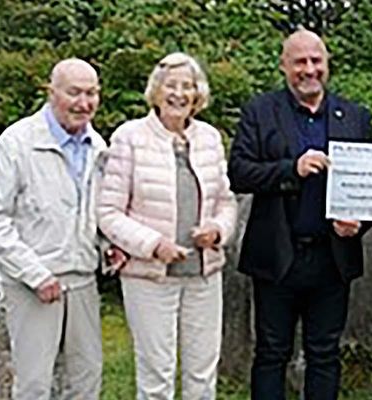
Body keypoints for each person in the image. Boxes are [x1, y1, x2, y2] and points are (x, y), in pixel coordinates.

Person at [228, 29, 372, 400]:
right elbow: (239, 173)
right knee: (271, 353)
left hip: (332, 257)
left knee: (325, 354)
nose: (309, 69)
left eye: (316, 60)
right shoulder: (260, 112)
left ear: (327, 63)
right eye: (299, 62)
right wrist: (291, 169)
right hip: (277, 254)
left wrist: (359, 224)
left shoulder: (355, 116)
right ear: (283, 66)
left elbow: (371, 186)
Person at [97, 52, 237, 399]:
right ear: (156, 91)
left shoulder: (209, 137)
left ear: (197, 93)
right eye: (171, 85)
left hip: (203, 275)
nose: (179, 94)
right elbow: (109, 212)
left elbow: (226, 201)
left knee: (202, 373)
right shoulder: (130, 136)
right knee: (156, 375)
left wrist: (218, 231)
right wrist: (154, 245)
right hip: (149, 276)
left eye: (187, 86)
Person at [0, 58, 105, 399]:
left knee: (86, 380)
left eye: (91, 93)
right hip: (31, 284)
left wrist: (109, 248)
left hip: (82, 280)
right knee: (33, 384)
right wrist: (36, 275)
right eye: (74, 92)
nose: (84, 103)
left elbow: (100, 215)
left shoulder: (98, 147)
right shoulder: (17, 142)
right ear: (51, 92)